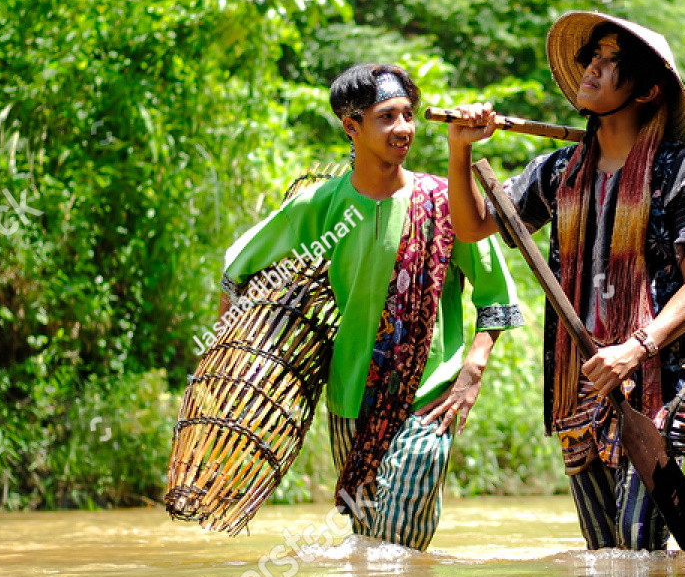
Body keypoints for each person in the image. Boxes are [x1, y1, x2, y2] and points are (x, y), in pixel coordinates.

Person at [444, 13, 685, 550]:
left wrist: (634, 348)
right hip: (580, 386)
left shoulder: (682, 172)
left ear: (647, 90)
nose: (591, 69)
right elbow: (473, 224)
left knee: (637, 545)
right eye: (590, 58)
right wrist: (461, 152)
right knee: (605, 557)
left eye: (609, 61)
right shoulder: (559, 171)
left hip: (655, 388)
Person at [220, 64, 523, 550]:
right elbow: (239, 268)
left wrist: (474, 368)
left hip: (431, 396)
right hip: (349, 399)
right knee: (369, 539)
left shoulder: (446, 202)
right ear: (351, 127)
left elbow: (496, 298)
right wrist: (238, 357)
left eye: (408, 115)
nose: (403, 128)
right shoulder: (322, 204)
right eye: (387, 117)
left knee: (395, 544)